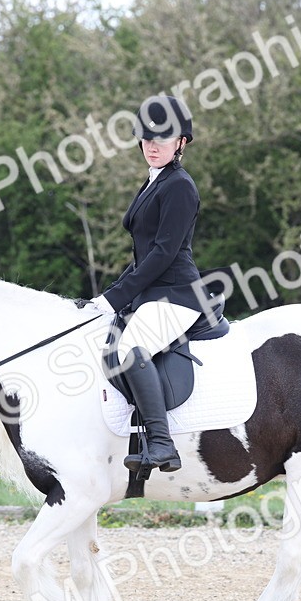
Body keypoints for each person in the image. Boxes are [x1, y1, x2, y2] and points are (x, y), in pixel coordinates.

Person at [87, 95, 208, 474]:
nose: (153, 146)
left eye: (163, 139)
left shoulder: (180, 186)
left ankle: (161, 444)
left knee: (131, 350)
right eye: (147, 139)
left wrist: (116, 297)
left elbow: (163, 254)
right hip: (153, 292)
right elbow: (143, 257)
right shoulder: (156, 181)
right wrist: (109, 295)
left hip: (177, 295)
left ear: (181, 142)